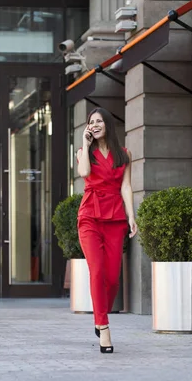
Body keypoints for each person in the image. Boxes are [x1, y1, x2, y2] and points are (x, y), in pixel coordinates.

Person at [77, 107, 137, 353]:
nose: (95, 124)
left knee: (112, 279)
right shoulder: (84, 153)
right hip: (90, 216)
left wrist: (132, 216)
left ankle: (101, 314)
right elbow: (84, 173)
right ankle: (103, 326)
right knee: (97, 270)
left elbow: (127, 186)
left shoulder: (124, 154)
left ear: (108, 124)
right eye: (91, 122)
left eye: (99, 120)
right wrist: (84, 141)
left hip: (115, 218)